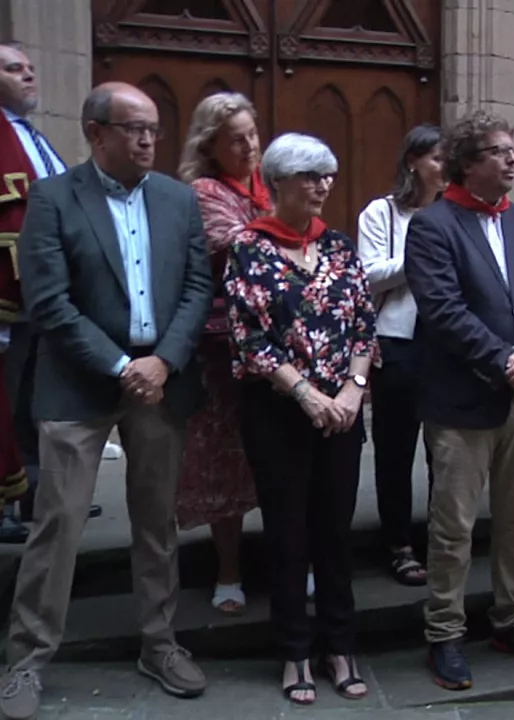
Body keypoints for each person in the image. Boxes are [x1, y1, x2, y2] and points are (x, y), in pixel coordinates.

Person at [0, 82, 213, 720]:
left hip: (161, 380)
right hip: (80, 383)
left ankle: (159, 643)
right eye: (133, 128)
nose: (148, 140)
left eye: (153, 129)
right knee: (58, 525)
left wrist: (163, 361)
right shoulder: (54, 198)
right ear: (96, 133)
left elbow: (197, 287)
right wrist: (122, 366)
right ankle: (27, 659)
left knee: (157, 522)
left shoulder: (177, 199)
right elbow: (48, 301)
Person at [406, 110, 514, 690]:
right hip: (463, 401)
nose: (512, 159)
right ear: (467, 163)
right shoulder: (432, 225)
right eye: (499, 151)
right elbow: (443, 311)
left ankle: (511, 619)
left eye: (513, 150)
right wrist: (505, 361)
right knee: (453, 527)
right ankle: (444, 632)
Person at [224, 133, 374, 704]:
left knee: (335, 533)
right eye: (310, 176)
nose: (322, 186)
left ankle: (341, 647)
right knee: (288, 534)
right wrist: (308, 394)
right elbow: (249, 338)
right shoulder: (249, 247)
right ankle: (293, 652)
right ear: (278, 182)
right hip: (279, 412)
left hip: (342, 413)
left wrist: (354, 391)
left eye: (327, 175)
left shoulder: (338, 246)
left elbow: (363, 324)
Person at [175, 91, 266, 615]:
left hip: (278, 345)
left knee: (283, 461)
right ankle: (227, 570)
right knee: (223, 464)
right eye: (236, 139)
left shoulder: (270, 186)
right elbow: (242, 244)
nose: (250, 146)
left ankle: (292, 560)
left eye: (253, 135)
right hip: (221, 348)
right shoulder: (204, 192)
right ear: (210, 146)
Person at [356, 123, 445, 587]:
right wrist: (422, 257)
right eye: (437, 158)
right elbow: (369, 275)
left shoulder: (455, 213)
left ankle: (441, 539)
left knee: (444, 451)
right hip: (398, 341)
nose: (444, 168)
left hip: (446, 344)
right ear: (413, 161)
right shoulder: (383, 213)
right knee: (395, 449)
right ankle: (398, 543)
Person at [0, 42, 67, 543]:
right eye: (12, 69)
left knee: (34, 401)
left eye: (29, 67)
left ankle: (37, 494)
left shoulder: (33, 137)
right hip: (6, 289)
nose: (27, 75)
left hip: (45, 291)